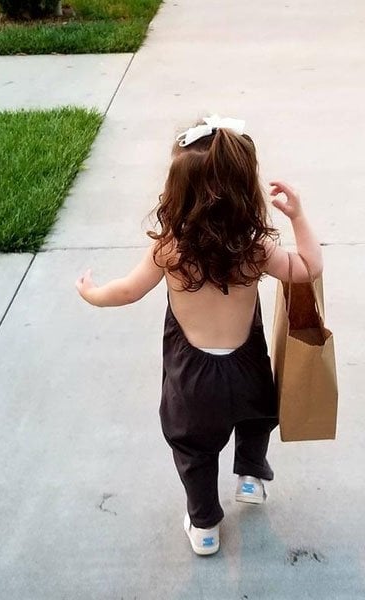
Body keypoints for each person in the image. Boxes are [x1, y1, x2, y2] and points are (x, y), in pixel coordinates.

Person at [75, 116, 323, 556]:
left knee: (195, 451)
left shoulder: (169, 250)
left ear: (178, 192)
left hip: (193, 384)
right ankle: (250, 475)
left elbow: (128, 291)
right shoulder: (255, 248)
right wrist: (299, 216)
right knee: (255, 418)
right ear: (246, 190)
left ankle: (205, 526)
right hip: (246, 372)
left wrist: (93, 294)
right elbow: (308, 269)